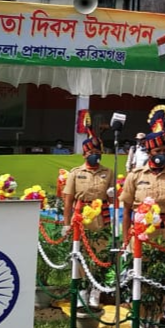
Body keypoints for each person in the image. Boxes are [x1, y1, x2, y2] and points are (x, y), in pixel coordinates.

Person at [121, 109, 165, 245]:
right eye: (158, 151)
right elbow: (127, 210)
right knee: (141, 265)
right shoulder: (135, 175)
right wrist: (125, 240)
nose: (161, 154)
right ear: (150, 152)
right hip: (142, 232)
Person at [63, 128, 114, 307]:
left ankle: (95, 291)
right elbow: (68, 200)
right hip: (81, 218)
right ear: (84, 154)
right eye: (92, 153)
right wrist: (66, 222)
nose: (95, 156)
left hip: (100, 217)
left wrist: (112, 193)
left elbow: (113, 199)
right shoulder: (76, 173)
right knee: (80, 255)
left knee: (99, 255)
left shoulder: (108, 172)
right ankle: (82, 291)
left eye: (98, 153)